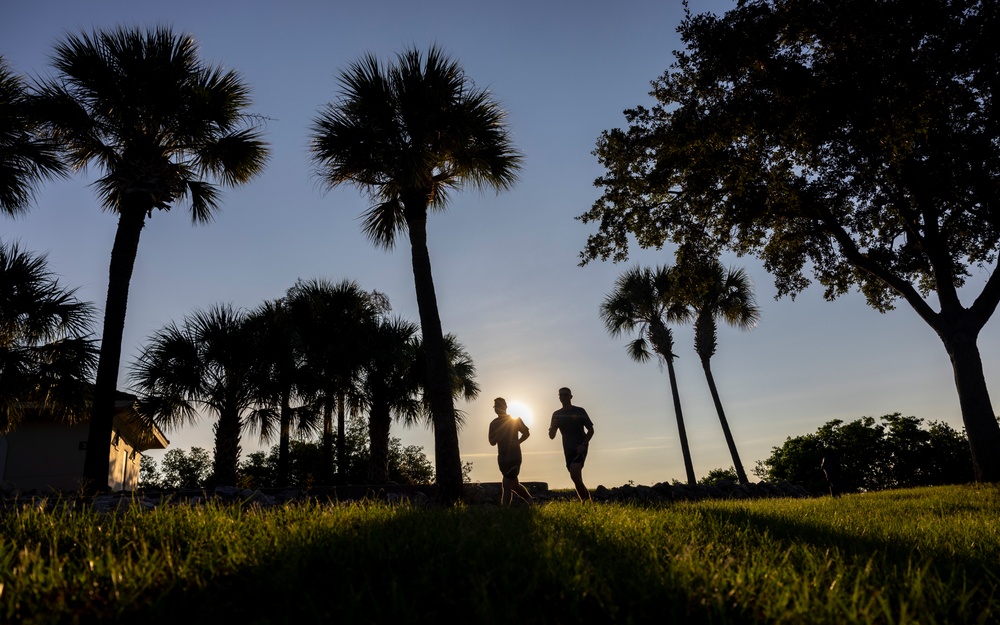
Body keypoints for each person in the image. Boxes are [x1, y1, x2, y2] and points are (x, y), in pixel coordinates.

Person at [548, 387, 594, 502]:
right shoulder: (557, 414)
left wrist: (583, 444)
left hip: (580, 447)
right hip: (567, 449)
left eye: (565, 395)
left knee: (574, 475)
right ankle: (585, 503)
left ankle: (587, 500)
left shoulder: (579, 411)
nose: (563, 397)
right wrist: (552, 427)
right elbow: (552, 436)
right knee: (577, 477)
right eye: (561, 395)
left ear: (571, 396)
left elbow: (591, 430)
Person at [488, 397, 534, 505]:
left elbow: (526, 433)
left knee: (506, 483)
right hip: (502, 458)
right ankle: (530, 500)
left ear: (506, 407)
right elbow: (491, 441)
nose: (498, 408)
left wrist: (518, 442)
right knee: (514, 485)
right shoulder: (493, 424)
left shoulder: (515, 420)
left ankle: (505, 512)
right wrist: (497, 437)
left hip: (514, 456)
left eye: (500, 406)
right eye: (496, 406)